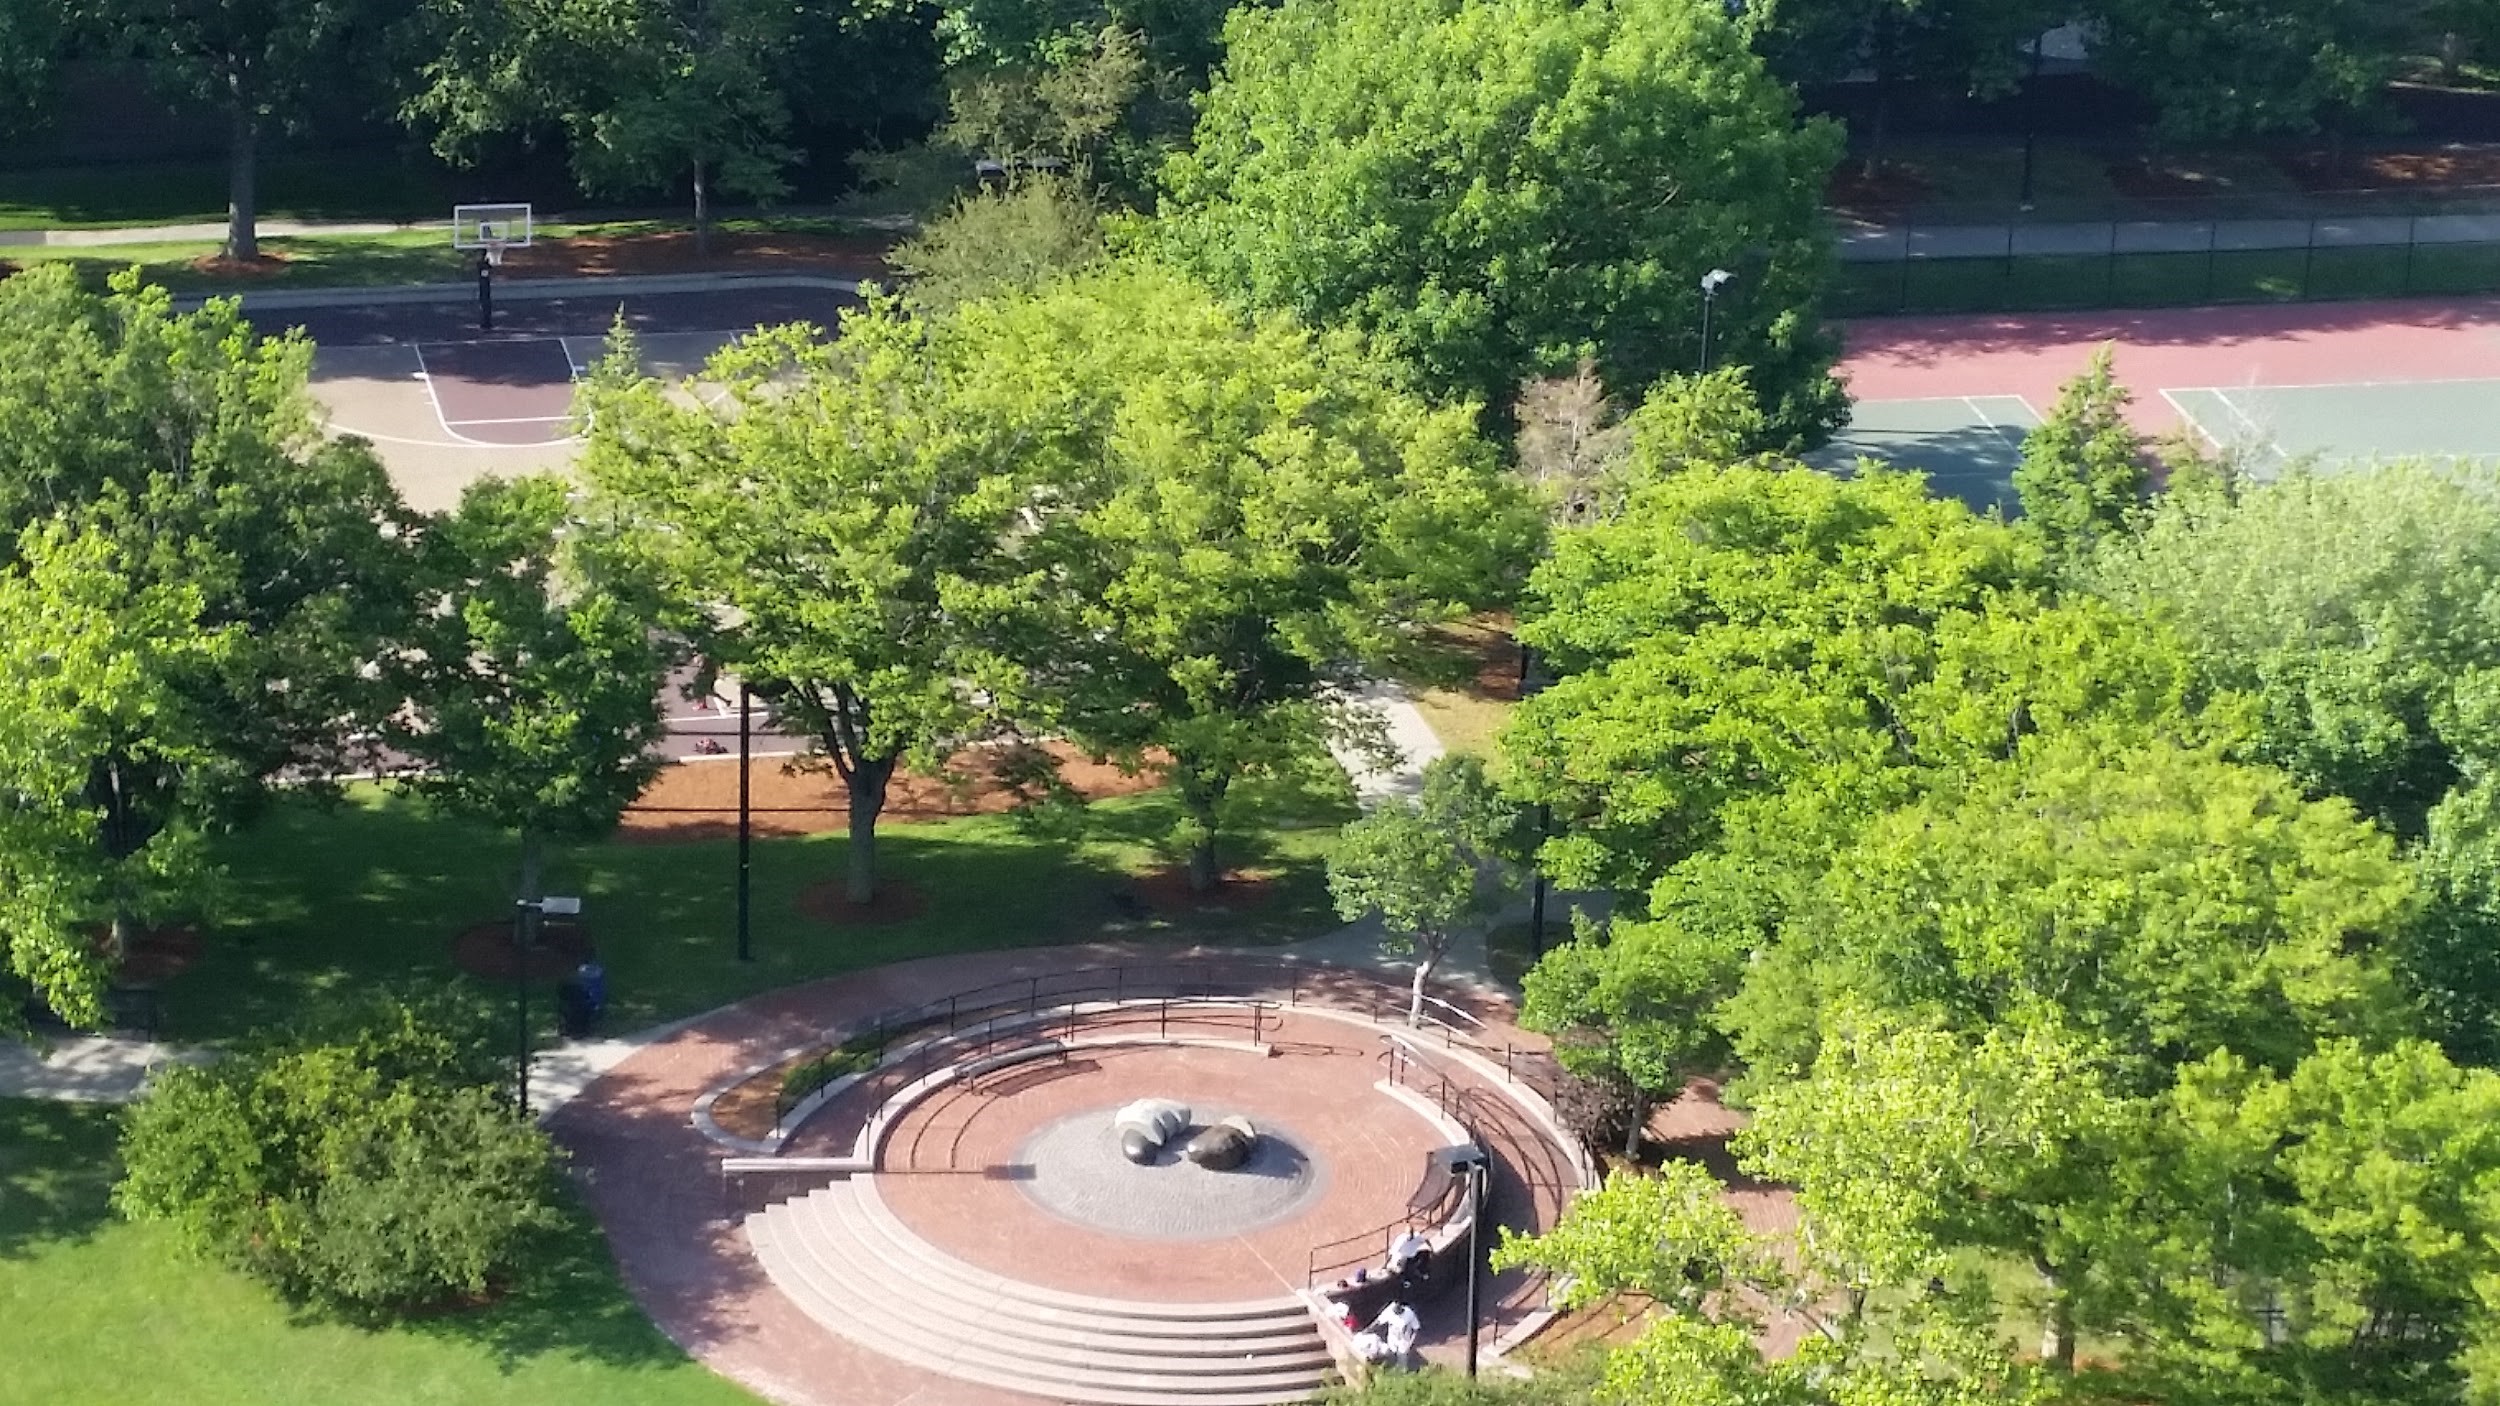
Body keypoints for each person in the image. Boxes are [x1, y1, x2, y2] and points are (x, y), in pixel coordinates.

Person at [1367, 1300, 1421, 1369]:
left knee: (1402, 1358)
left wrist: (1410, 1343)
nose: (1395, 1313)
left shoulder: (1409, 1314)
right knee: (1389, 1353)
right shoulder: (1390, 1310)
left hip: (1404, 1341)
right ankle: (1390, 1367)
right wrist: (1368, 1329)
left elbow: (1416, 1329)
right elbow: (1378, 1321)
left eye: (1397, 1312)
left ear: (1401, 1308)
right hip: (1392, 1339)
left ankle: (1402, 1373)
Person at [1387, 1229, 1431, 1294]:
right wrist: (1386, 1264)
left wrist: (1432, 1250)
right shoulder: (1401, 1240)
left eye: (1411, 1235)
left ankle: (1423, 1270)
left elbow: (1426, 1240)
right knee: (1405, 1266)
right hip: (1403, 1258)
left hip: (1413, 1256)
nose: (1410, 1237)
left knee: (1426, 1252)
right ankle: (1406, 1280)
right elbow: (1392, 1252)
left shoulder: (1416, 1236)